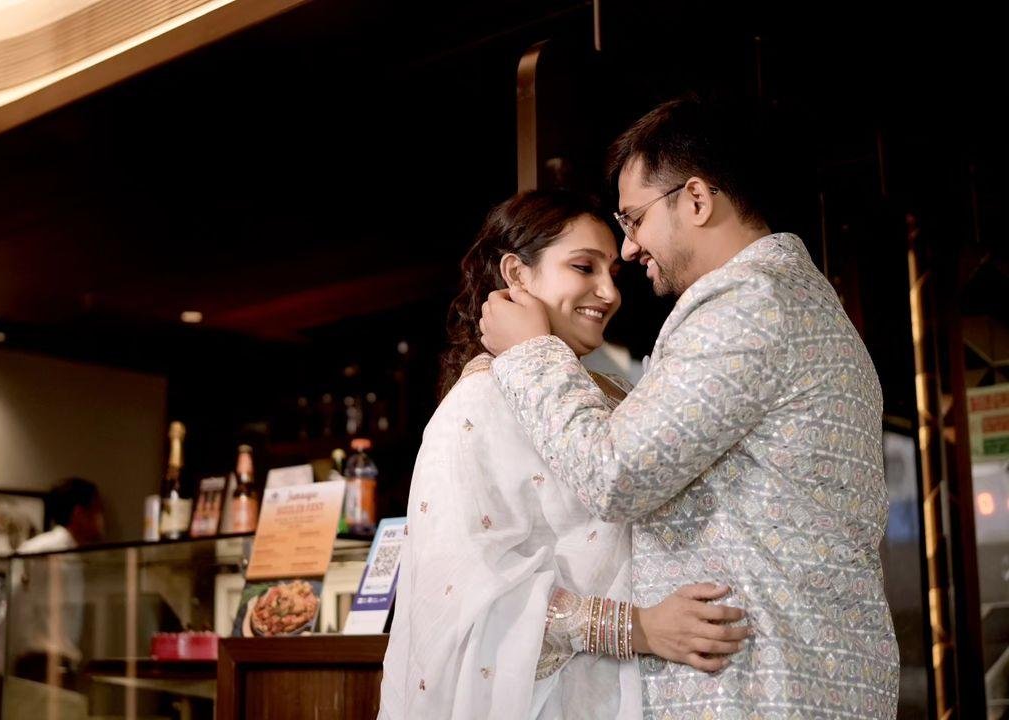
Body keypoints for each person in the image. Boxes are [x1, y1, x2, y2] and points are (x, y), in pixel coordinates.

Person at [480, 96, 900, 718]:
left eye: (634, 219)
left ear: (696, 200)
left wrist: (529, 353)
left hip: (760, 690)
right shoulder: (793, 297)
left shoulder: (747, 305)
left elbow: (614, 474)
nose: (629, 250)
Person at [380, 190, 749, 720]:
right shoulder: (478, 403)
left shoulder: (606, 391)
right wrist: (639, 628)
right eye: (583, 267)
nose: (609, 293)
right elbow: (467, 591)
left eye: (613, 274)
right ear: (517, 274)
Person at [7, 477, 105, 684]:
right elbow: (14, 611)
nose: (102, 519)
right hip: (40, 668)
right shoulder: (43, 551)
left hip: (52, 666)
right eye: (97, 510)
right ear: (79, 514)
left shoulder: (71, 555)